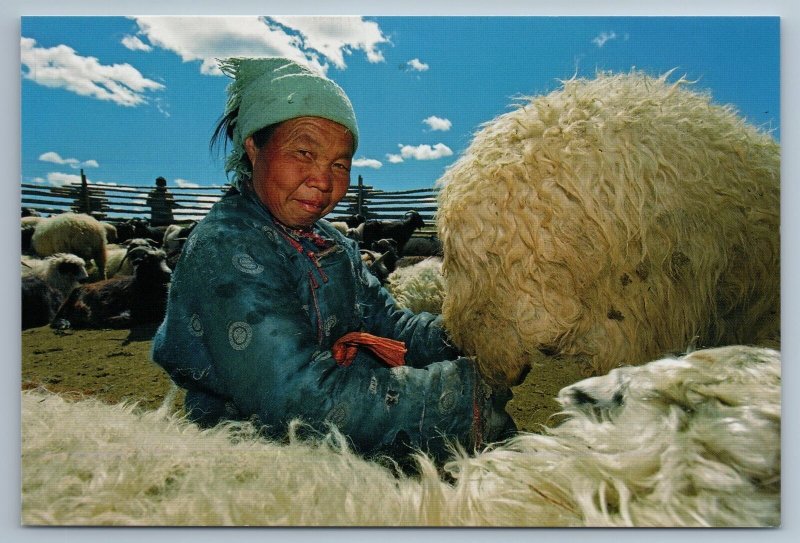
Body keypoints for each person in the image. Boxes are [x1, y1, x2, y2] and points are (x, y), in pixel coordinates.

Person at [151, 57, 515, 462]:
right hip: (250, 455)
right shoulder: (227, 247)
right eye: (304, 152)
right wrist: (461, 392)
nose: (323, 181)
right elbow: (294, 397)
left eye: (339, 164)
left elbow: (392, 327)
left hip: (342, 431)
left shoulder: (332, 244)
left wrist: (477, 334)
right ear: (254, 146)